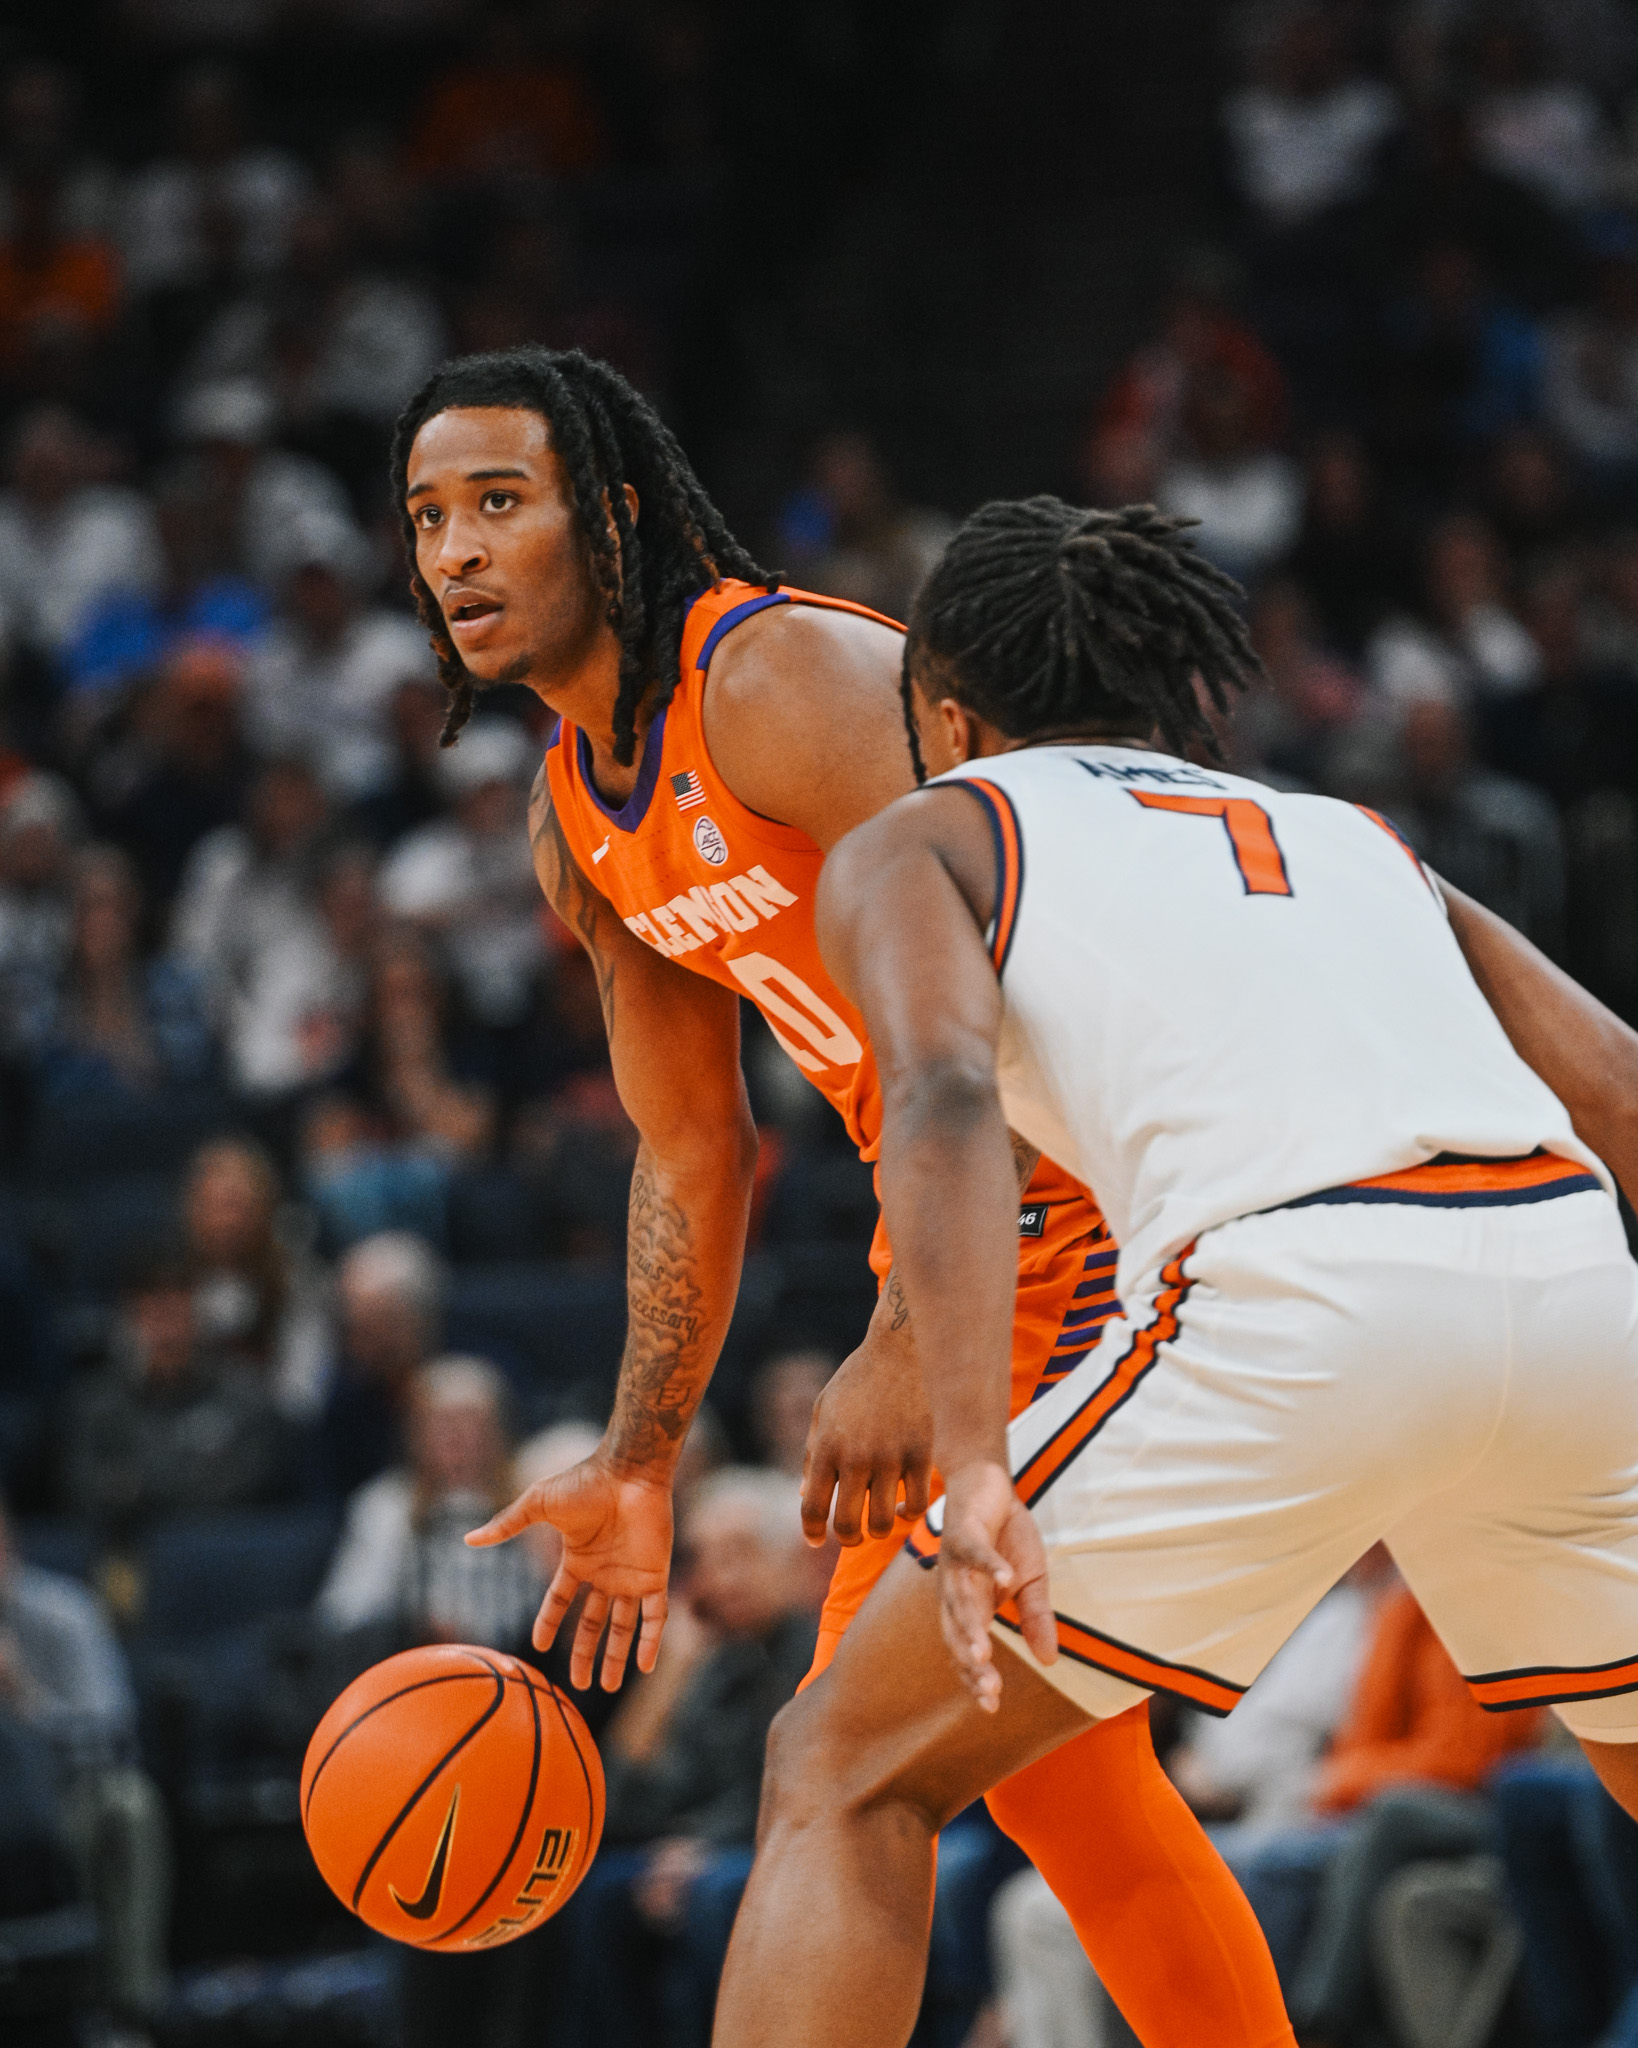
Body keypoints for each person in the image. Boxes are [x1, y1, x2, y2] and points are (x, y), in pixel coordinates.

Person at [396, 345, 1295, 2048]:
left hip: (1088, 1188)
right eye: (428, 517)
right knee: (1058, 1780)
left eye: (498, 502)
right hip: (986, 1220)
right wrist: (640, 1458)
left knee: (839, 1762)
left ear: (615, 515)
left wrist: (907, 1327)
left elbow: (1028, 939)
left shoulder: (774, 676)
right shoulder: (577, 816)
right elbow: (689, 1149)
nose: (454, 550)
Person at [681, 496, 1638, 2048]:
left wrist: (975, 1459)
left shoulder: (927, 832)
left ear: (941, 714)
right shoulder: (1348, 835)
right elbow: (1614, 1086)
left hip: (1301, 1291)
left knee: (842, 1767)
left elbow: (941, 1094)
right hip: (1567, 1278)